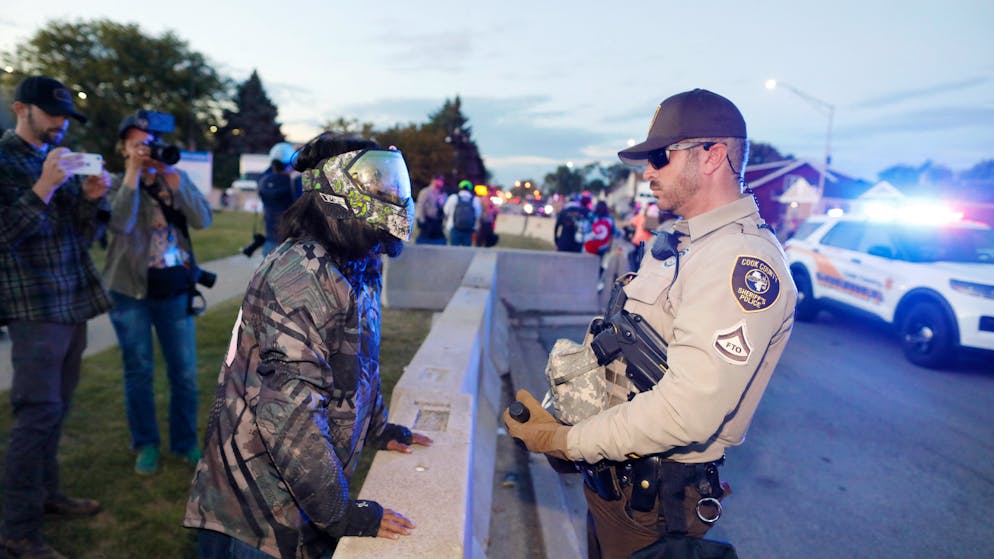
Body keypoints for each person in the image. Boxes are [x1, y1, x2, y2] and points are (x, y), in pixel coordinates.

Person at [504, 88, 797, 559]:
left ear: (712, 156)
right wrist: (566, 417)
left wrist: (569, 441)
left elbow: (687, 411)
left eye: (660, 157)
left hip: (654, 505)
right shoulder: (684, 243)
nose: (647, 172)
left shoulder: (740, 261)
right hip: (614, 483)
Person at [184, 134, 433, 559]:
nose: (392, 193)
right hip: (257, 507)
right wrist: (339, 513)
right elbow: (288, 415)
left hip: (299, 490)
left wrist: (376, 427)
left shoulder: (358, 260)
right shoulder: (301, 274)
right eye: (377, 181)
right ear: (337, 192)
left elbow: (360, 361)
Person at [0, 75, 112, 559]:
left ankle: (46, 496)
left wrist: (92, 198)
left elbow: (82, 237)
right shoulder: (6, 161)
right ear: (21, 108)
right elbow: (7, 233)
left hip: (72, 304)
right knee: (36, 415)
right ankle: (16, 531)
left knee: (56, 412)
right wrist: (45, 185)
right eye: (53, 114)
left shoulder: (62, 161)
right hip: (34, 309)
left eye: (67, 116)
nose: (62, 124)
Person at [103, 110, 213, 476]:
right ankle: (146, 444)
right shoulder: (117, 183)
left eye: (150, 145)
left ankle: (184, 442)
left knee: (183, 373)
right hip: (129, 292)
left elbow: (203, 220)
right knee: (139, 371)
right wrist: (135, 173)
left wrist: (173, 180)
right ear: (123, 149)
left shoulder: (173, 180)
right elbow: (119, 223)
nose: (146, 150)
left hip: (173, 290)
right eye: (138, 145)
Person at [257, 141, 303, 257]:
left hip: (270, 240)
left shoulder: (263, 182)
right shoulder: (294, 183)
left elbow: (269, 170)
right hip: (289, 242)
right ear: (290, 163)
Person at [443, 179, 481, 246]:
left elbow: (446, 211)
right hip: (469, 229)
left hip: (454, 227)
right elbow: (478, 214)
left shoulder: (453, 198)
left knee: (453, 249)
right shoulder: (475, 200)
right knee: (466, 251)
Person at [414, 174, 447, 244]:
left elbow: (443, 207)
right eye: (440, 180)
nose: (441, 183)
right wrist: (421, 219)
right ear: (434, 181)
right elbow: (420, 205)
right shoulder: (426, 192)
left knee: (439, 241)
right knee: (423, 241)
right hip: (427, 220)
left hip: (437, 221)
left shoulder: (442, 193)